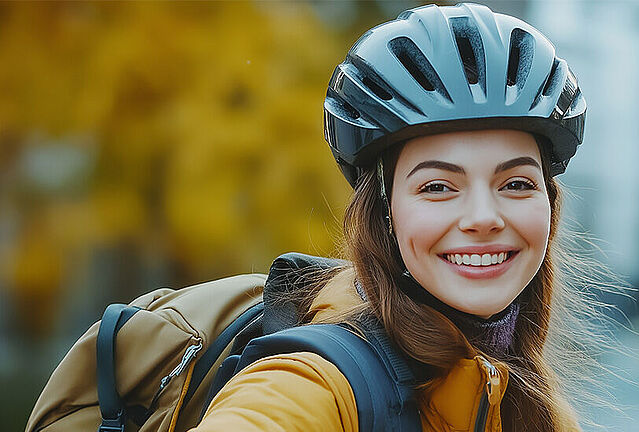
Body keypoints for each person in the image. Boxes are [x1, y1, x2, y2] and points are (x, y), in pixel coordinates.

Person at [191, 3, 599, 431]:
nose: (484, 217)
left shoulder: (528, 403)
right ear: (383, 212)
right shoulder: (313, 386)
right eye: (437, 187)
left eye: (516, 184)